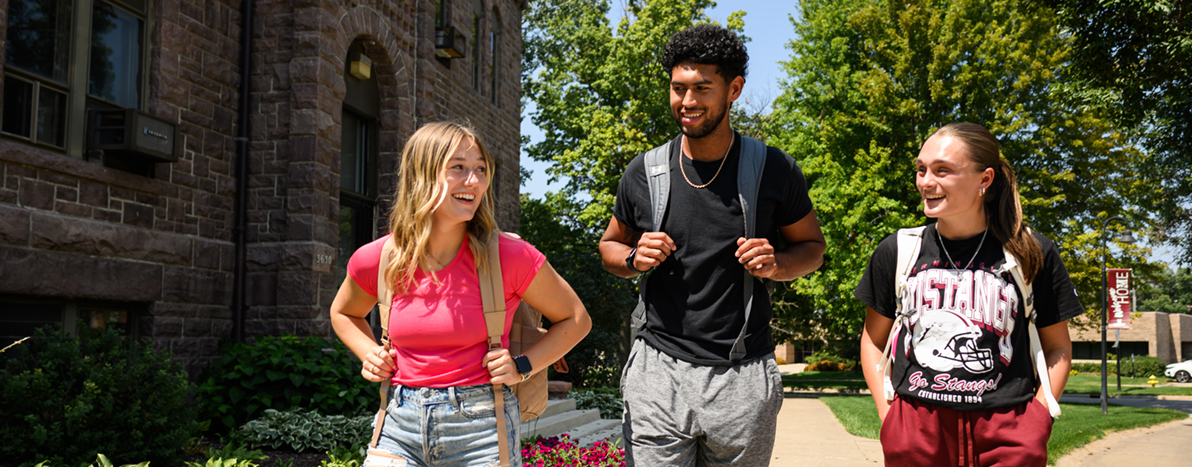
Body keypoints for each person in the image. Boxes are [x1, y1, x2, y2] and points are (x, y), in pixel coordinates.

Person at [599, 25, 826, 467]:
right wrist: (632, 258)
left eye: (702, 88)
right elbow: (610, 246)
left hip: (742, 374)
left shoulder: (775, 170)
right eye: (678, 88)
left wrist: (776, 264)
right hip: (658, 370)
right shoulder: (644, 172)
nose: (687, 102)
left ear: (734, 89)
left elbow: (812, 247)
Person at [330, 121, 591, 467]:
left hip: (482, 429)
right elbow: (344, 313)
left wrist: (522, 366)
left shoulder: (509, 256)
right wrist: (370, 353)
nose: (474, 181)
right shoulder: (379, 258)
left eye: (481, 170)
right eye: (459, 168)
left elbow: (577, 319)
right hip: (398, 424)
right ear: (423, 174)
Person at [855, 123, 1080, 466]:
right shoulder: (899, 250)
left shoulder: (1030, 252)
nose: (925, 181)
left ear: (984, 180)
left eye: (942, 170)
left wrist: (1038, 418)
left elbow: (1058, 346)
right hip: (918, 431)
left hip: (1008, 432)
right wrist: (891, 419)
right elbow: (873, 341)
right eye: (921, 169)